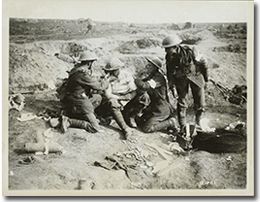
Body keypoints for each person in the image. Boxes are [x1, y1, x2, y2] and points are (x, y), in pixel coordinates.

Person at [162, 35, 209, 133]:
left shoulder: (192, 52)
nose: (166, 51)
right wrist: (171, 85)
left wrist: (206, 78)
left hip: (196, 77)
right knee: (182, 102)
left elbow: (204, 64)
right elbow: (169, 71)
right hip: (181, 79)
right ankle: (182, 125)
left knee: (200, 102)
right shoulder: (169, 57)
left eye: (167, 49)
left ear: (175, 47)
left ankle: (198, 121)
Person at [122, 57, 178, 134]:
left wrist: (136, 78)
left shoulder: (159, 78)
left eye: (150, 66)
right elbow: (142, 83)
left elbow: (145, 86)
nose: (147, 67)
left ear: (155, 68)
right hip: (154, 107)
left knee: (146, 128)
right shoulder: (152, 76)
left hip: (162, 108)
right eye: (147, 65)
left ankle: (170, 122)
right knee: (140, 122)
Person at [60, 51, 109, 133]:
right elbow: (100, 87)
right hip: (79, 99)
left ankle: (80, 115)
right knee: (95, 128)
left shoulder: (76, 70)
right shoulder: (82, 74)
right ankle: (70, 121)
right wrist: (106, 80)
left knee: (98, 98)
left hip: (73, 97)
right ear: (89, 63)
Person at [95, 57, 137, 139]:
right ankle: (125, 128)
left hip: (127, 99)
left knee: (143, 97)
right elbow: (108, 95)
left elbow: (134, 91)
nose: (111, 73)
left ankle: (131, 116)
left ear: (118, 69)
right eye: (110, 71)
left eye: (113, 70)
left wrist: (127, 98)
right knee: (112, 102)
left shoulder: (127, 75)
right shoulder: (108, 78)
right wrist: (120, 98)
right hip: (116, 99)